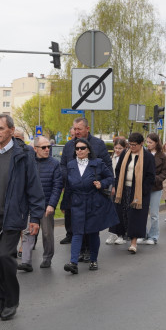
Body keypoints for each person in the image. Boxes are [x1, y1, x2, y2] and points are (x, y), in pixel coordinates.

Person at [0, 115, 45, 321]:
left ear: (11, 131)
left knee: (5, 257)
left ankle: (12, 301)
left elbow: (34, 186)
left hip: (13, 216)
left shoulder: (23, 155)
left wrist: (36, 217)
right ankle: (1, 300)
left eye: (1, 128)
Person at [62, 138, 118, 273]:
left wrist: (102, 184)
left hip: (94, 201)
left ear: (88, 150)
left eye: (82, 148)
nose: (79, 151)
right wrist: (64, 204)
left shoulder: (97, 163)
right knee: (77, 232)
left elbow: (110, 177)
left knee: (93, 233)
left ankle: (93, 260)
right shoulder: (71, 165)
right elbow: (68, 187)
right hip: (77, 202)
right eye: (77, 149)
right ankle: (73, 262)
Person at [60, 117, 112, 257]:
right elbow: (63, 165)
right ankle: (80, 251)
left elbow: (107, 167)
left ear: (87, 129)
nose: (76, 132)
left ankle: (90, 250)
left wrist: (103, 183)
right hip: (74, 191)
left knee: (90, 223)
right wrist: (69, 178)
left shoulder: (99, 144)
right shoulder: (68, 145)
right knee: (76, 222)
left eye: (79, 129)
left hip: (92, 192)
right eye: (74, 129)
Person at [21, 135, 63, 269]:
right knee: (28, 231)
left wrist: (52, 205)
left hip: (46, 205)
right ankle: (26, 261)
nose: (47, 150)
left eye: (49, 147)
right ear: (35, 148)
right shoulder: (29, 162)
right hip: (31, 205)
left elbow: (57, 186)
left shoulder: (55, 164)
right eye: (43, 147)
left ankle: (47, 258)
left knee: (47, 233)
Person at [108, 133, 154, 254]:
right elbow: (118, 170)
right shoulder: (125, 153)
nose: (132, 147)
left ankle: (133, 243)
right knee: (123, 213)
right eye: (130, 144)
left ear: (141, 144)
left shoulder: (148, 157)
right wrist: (117, 185)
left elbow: (150, 176)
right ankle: (121, 236)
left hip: (138, 191)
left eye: (134, 145)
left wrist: (143, 189)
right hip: (123, 189)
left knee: (136, 216)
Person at [144, 133, 166, 245]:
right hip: (144, 186)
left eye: (150, 142)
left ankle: (153, 236)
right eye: (147, 142)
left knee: (154, 214)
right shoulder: (143, 153)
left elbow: (165, 172)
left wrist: (157, 178)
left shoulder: (161, 155)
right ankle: (142, 234)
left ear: (156, 143)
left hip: (156, 187)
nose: (148, 144)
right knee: (142, 212)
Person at [105, 137, 127, 245]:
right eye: (116, 148)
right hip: (112, 184)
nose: (117, 150)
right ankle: (112, 233)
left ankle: (121, 234)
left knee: (120, 210)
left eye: (120, 148)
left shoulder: (126, 159)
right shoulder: (112, 158)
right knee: (112, 209)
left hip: (122, 185)